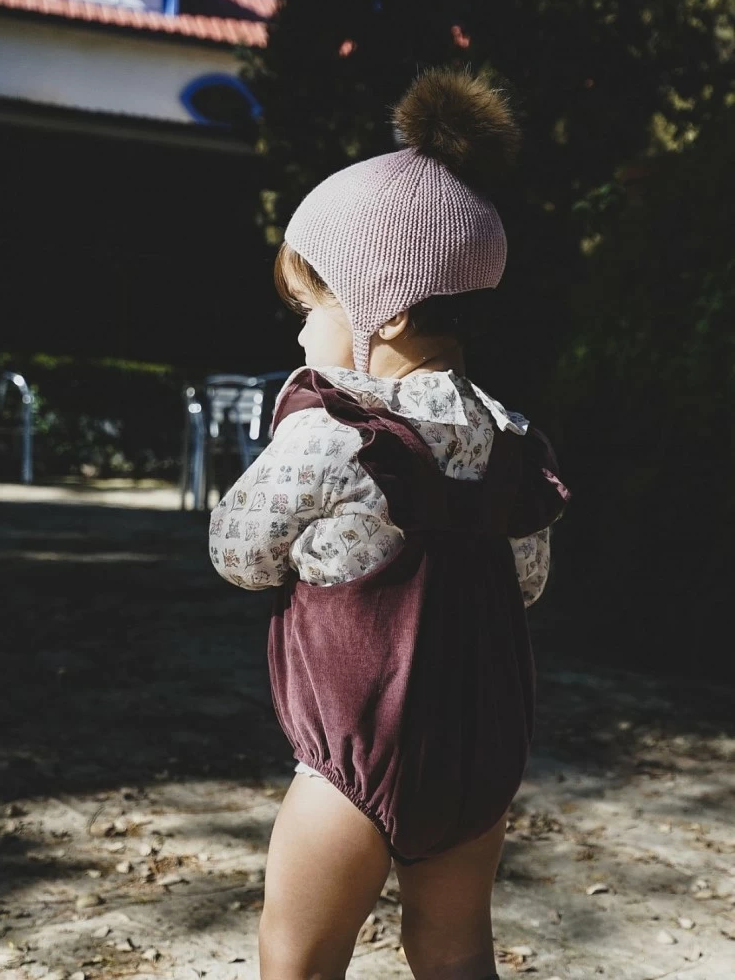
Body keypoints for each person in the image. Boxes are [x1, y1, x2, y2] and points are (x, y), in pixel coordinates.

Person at [209, 65, 571, 980]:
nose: (300, 336)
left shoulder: (336, 435)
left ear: (388, 307)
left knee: (298, 956)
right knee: (455, 952)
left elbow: (240, 553)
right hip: (478, 754)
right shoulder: (514, 440)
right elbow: (526, 580)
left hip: (356, 762)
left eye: (312, 308)